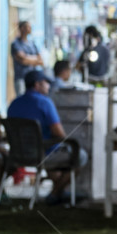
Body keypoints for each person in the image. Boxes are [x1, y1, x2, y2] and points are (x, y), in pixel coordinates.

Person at [8, 70, 88, 206]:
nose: (49, 86)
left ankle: (59, 193)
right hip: (42, 154)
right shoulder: (45, 102)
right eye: (46, 83)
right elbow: (60, 134)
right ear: (37, 85)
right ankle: (55, 193)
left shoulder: (13, 104)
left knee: (55, 155)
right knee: (80, 155)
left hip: (19, 155)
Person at [10, 21, 43, 96]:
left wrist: (27, 58)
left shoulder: (32, 43)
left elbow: (40, 60)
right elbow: (22, 59)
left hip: (33, 79)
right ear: (22, 28)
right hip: (21, 78)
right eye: (28, 27)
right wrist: (35, 60)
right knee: (21, 99)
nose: (30, 29)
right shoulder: (15, 43)